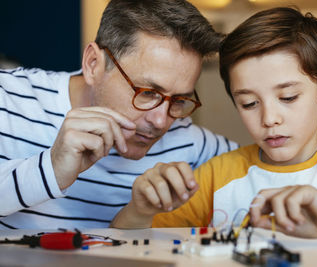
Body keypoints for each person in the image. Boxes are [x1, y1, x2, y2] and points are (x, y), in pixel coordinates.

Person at [111, 7, 317, 234]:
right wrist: (140, 210)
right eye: (249, 103)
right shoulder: (216, 178)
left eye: (287, 97)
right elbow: (122, 242)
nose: (269, 118)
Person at [0, 0, 238, 229]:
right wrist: (50, 170)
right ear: (93, 64)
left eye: (179, 100)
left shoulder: (191, 141)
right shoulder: (8, 97)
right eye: (147, 92)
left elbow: (263, 166)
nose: (160, 121)